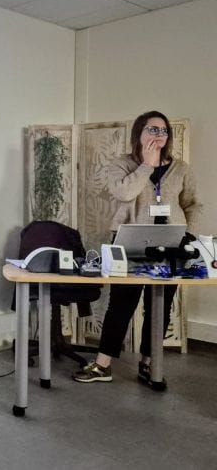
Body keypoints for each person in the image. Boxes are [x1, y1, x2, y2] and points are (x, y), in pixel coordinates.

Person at [73, 111, 201, 385]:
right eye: (152, 129)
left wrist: (187, 233)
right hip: (129, 242)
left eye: (163, 131)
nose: (159, 135)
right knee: (121, 304)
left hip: (169, 245)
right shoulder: (121, 164)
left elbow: (192, 203)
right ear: (138, 133)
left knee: (160, 306)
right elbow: (123, 193)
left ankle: (149, 363)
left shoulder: (181, 168)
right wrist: (147, 165)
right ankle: (103, 365)